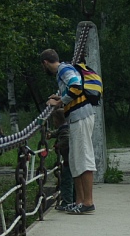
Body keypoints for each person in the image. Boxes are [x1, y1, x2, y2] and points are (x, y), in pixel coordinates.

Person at [41, 48, 96, 215]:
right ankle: (79, 201)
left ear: (45, 63)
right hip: (76, 117)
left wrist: (59, 103)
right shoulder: (63, 70)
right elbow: (72, 90)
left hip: (81, 116)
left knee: (83, 157)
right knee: (75, 159)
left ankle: (88, 202)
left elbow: (76, 86)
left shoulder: (64, 69)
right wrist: (61, 99)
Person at [47, 108, 74, 210]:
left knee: (66, 182)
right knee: (72, 181)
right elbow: (59, 132)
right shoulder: (66, 126)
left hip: (68, 160)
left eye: (54, 120)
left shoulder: (64, 130)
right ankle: (73, 200)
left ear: (57, 120)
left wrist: (58, 145)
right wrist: (51, 135)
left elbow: (65, 139)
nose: (53, 122)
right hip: (70, 160)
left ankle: (66, 202)